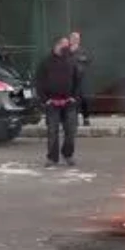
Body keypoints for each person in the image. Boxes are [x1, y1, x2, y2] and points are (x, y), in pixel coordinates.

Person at [35, 36, 80, 167]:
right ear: (57, 45)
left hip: (69, 103)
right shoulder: (45, 62)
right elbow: (39, 82)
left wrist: (74, 97)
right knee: (52, 132)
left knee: (71, 131)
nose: (67, 47)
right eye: (65, 45)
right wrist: (45, 100)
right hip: (52, 103)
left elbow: (78, 80)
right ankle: (52, 158)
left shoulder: (71, 61)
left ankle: (68, 154)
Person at [68, 31, 92, 126]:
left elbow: (88, 60)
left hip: (81, 79)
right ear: (70, 39)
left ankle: (86, 118)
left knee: (83, 98)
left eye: (77, 38)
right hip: (69, 79)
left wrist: (81, 62)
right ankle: (72, 119)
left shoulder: (83, 51)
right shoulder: (66, 51)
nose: (75, 40)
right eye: (73, 38)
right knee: (71, 100)